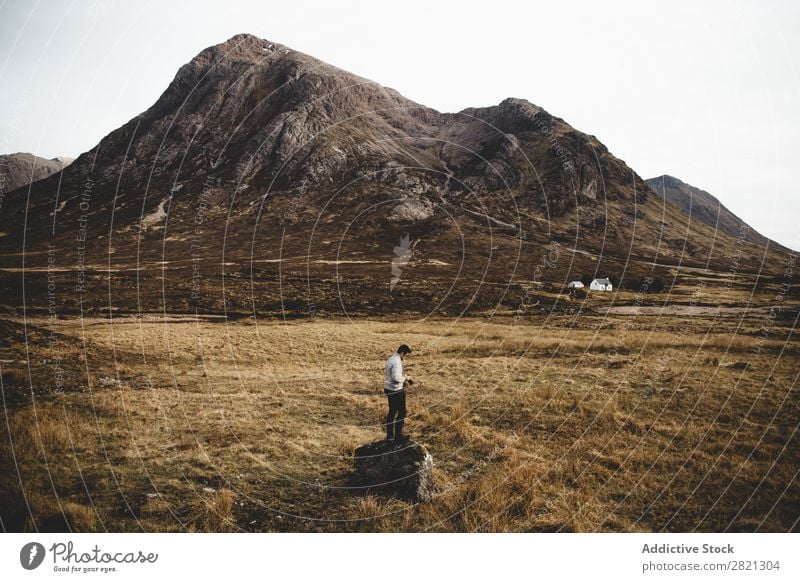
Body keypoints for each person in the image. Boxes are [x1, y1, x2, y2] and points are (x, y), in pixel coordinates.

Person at [384, 344, 412, 445]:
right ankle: (398, 437)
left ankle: (390, 436)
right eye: (405, 355)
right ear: (402, 353)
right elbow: (396, 378)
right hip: (396, 390)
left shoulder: (391, 359)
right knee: (402, 412)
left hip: (389, 389)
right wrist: (406, 378)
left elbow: (393, 376)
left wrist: (402, 376)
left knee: (392, 412)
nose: (405, 357)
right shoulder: (396, 362)